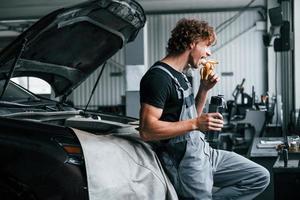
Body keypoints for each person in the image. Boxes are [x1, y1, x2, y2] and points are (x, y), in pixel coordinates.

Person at [139, 18, 270, 200]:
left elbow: (193, 118)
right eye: (207, 46)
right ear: (192, 42)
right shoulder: (158, 78)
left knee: (259, 177)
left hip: (205, 152)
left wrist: (204, 89)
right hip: (185, 163)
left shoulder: (182, 76)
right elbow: (147, 130)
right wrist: (195, 123)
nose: (208, 53)